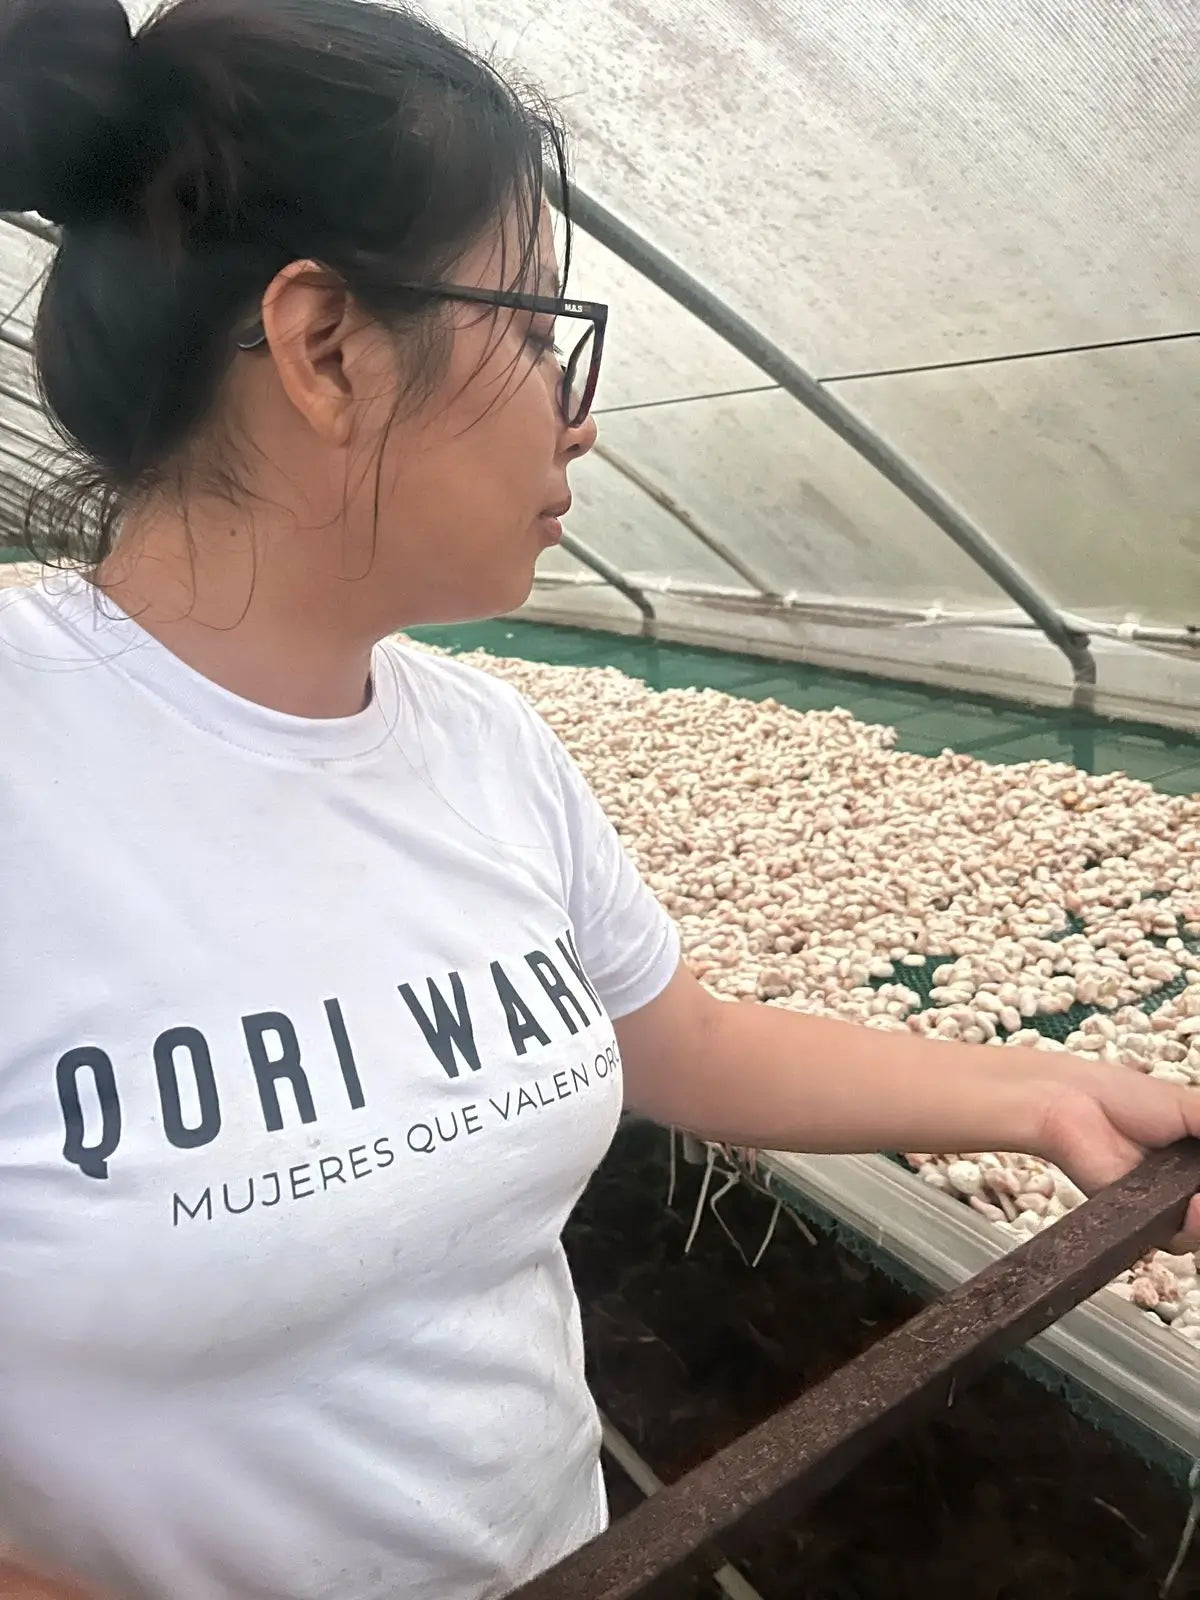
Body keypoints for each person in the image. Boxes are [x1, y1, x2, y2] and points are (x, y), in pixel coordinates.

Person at [0, 1, 1196, 1597]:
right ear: (327, 347)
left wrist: (1038, 1098)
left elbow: (675, 1041)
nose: (578, 416)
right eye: (535, 326)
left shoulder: (482, 746)